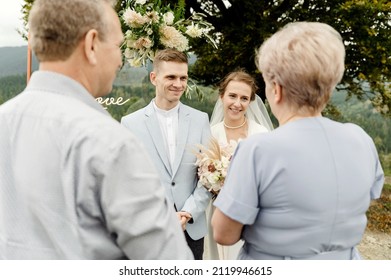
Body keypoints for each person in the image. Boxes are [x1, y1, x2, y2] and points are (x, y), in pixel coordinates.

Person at [0, 0, 193, 260]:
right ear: (91, 45)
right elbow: (168, 262)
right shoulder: (111, 142)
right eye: (117, 46)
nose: (119, 60)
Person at [211, 22, 385, 260]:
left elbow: (224, 234)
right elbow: (367, 197)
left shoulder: (258, 149)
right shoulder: (361, 140)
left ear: (277, 90)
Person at [121, 48, 212, 260]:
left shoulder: (200, 120)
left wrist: (188, 212)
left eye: (183, 78)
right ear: (154, 78)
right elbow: (127, 181)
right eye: (171, 77)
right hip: (149, 229)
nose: (178, 84)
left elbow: (208, 177)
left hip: (190, 228)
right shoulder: (130, 124)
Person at [203, 70, 273, 260]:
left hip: (251, 214)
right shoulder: (210, 133)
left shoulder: (261, 134)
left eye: (244, 98)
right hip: (215, 212)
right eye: (232, 96)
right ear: (221, 96)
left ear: (250, 102)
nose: (237, 103)